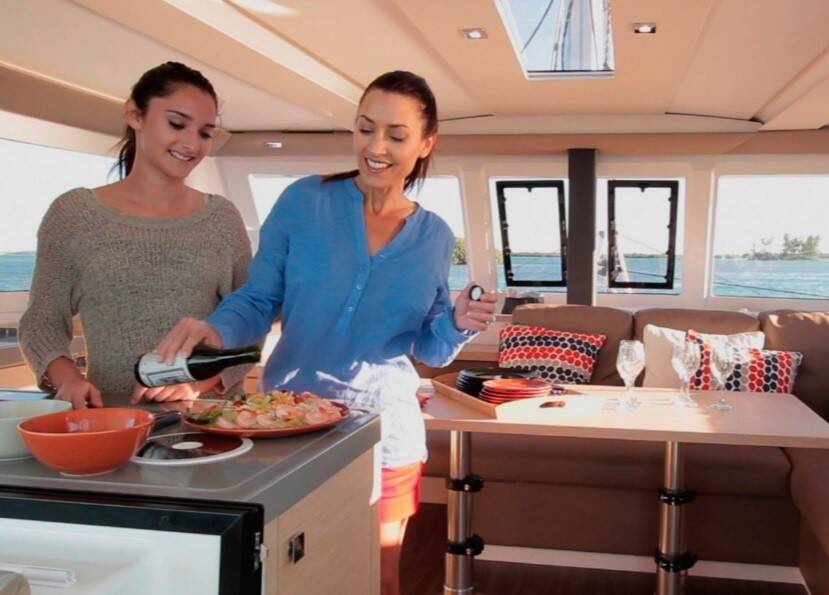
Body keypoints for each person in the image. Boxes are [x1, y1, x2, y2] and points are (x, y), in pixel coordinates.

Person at [154, 70, 496, 595]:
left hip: (385, 431)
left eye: (396, 135)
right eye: (366, 128)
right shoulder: (303, 201)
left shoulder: (435, 235)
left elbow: (427, 346)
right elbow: (258, 298)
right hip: (288, 426)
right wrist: (214, 331)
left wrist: (457, 323)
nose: (376, 147)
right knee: (292, 578)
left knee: (378, 579)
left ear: (426, 143)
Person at [19, 62, 253, 409]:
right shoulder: (73, 215)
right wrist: (67, 378)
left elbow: (251, 321)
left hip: (211, 421)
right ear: (134, 115)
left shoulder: (221, 219)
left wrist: (199, 384)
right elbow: (41, 323)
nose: (192, 143)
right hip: (111, 417)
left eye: (205, 133)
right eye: (177, 124)